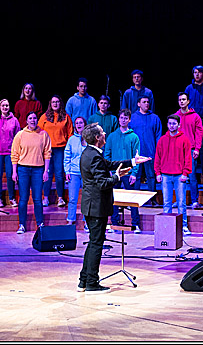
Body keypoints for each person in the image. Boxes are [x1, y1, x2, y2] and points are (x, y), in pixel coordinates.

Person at [77, 122, 140, 293]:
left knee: (93, 243)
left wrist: (133, 161)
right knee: (96, 244)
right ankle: (91, 282)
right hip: (96, 206)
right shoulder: (94, 156)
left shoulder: (91, 153)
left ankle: (84, 280)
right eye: (103, 133)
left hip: (92, 206)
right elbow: (103, 183)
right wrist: (117, 178)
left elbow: (110, 164)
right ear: (98, 138)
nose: (105, 134)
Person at [11, 111, 52, 234]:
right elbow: (15, 154)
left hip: (38, 169)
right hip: (23, 169)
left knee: (38, 199)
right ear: (27, 121)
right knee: (23, 199)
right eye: (30, 118)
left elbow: (47, 153)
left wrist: (46, 171)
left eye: (35, 118)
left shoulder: (43, 135)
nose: (33, 120)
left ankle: (40, 224)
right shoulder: (20, 135)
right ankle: (22, 225)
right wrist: (14, 172)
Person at [105, 109, 142, 232]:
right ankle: (114, 223)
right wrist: (110, 170)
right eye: (121, 118)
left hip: (129, 173)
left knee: (132, 199)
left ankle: (135, 224)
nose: (123, 120)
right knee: (114, 198)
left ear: (129, 120)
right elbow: (107, 154)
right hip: (115, 173)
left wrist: (134, 173)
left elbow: (137, 157)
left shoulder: (134, 137)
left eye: (126, 118)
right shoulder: (112, 136)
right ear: (118, 119)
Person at [155, 114, 193, 235]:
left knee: (181, 203)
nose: (172, 125)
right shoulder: (162, 140)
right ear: (167, 125)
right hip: (165, 175)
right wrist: (158, 172)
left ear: (178, 125)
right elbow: (158, 157)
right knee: (166, 202)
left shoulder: (184, 139)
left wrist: (185, 173)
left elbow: (188, 157)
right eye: (170, 123)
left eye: (174, 123)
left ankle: (184, 225)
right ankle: (167, 226)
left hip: (179, 175)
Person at [39, 96, 74, 207]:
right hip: (47, 149)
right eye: (53, 102)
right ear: (50, 103)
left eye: (57, 101)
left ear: (60, 103)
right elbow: (38, 132)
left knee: (59, 174)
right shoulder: (44, 117)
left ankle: (60, 198)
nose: (55, 103)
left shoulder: (66, 117)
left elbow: (70, 133)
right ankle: (45, 198)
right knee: (47, 173)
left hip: (60, 149)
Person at [173, 92, 203, 210]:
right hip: (177, 151)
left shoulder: (195, 116)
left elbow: (199, 133)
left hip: (190, 150)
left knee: (191, 176)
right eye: (180, 100)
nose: (181, 101)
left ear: (188, 101)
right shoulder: (175, 116)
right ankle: (179, 200)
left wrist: (197, 148)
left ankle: (194, 200)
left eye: (183, 99)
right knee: (178, 176)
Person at [130, 96, 163, 201]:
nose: (146, 104)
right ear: (138, 104)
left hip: (150, 152)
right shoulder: (133, 118)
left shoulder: (154, 118)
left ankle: (152, 199)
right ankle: (135, 199)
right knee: (136, 176)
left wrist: (158, 151)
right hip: (136, 153)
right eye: (144, 102)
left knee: (151, 176)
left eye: (148, 102)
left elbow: (158, 136)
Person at [0, 99, 20, 208]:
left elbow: (17, 136)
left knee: (10, 175)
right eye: (3, 105)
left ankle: (12, 198)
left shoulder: (14, 120)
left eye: (7, 105)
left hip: (10, 151)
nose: (5, 107)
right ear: (0, 107)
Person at [64, 116, 88, 226]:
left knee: (87, 198)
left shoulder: (90, 139)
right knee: (73, 198)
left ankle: (86, 221)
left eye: (81, 123)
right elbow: (67, 156)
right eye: (77, 123)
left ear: (85, 124)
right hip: (74, 172)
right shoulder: (71, 139)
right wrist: (67, 171)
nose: (79, 125)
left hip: (87, 173)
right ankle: (70, 219)